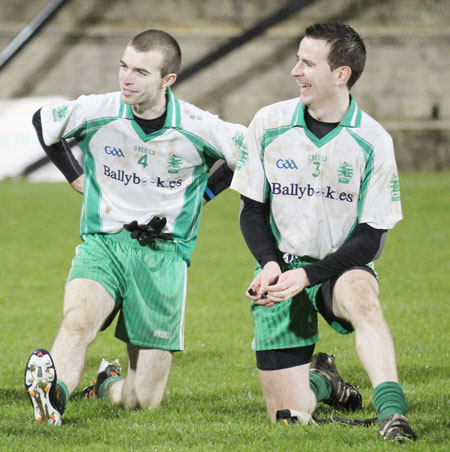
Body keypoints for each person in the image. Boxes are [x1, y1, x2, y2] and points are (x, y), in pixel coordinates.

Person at [24, 29, 246, 425]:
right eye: (124, 67)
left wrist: (207, 194)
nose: (126, 78)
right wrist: (74, 175)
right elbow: (44, 121)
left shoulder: (197, 126)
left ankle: (106, 383)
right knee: (78, 321)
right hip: (104, 241)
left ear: (168, 80)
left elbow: (248, 153)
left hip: (164, 256)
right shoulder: (99, 109)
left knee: (142, 401)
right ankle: (52, 398)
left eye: (141, 72)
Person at [230, 23, 416, 442]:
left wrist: (311, 276)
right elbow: (251, 211)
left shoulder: (373, 141)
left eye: (307, 63)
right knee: (289, 418)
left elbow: (371, 238)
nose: (295, 71)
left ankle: (393, 414)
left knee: (365, 304)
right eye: (297, 59)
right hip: (283, 272)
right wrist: (270, 263)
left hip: (341, 266)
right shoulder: (269, 122)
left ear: (340, 74)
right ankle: (325, 382)